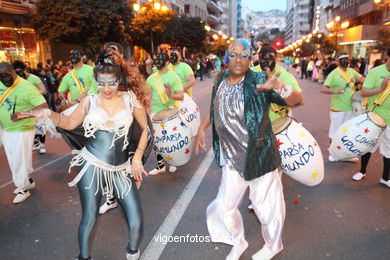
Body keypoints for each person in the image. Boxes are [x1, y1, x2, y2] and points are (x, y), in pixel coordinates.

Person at [16, 49, 150, 260]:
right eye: (101, 82)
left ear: (119, 80)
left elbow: (145, 130)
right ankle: (84, 257)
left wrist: (137, 158)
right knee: (89, 217)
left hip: (122, 169)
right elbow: (69, 123)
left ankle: (132, 252)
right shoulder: (90, 101)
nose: (106, 88)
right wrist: (48, 113)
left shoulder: (130, 99)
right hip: (91, 166)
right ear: (95, 80)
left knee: (136, 221)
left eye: (112, 82)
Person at [196, 39, 303, 260]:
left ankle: (274, 245)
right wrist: (201, 129)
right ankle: (238, 240)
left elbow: (297, 100)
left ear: (250, 58)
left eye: (244, 55)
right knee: (224, 207)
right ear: (227, 56)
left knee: (267, 208)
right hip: (231, 159)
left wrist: (282, 87)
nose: (238, 59)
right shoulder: (221, 79)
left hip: (259, 155)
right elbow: (215, 108)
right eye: (234, 55)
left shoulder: (259, 80)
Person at [0, 62, 47, 204]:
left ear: (13, 72)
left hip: (22, 129)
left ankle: (23, 189)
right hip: (6, 128)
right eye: (1, 77)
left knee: (19, 159)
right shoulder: (1, 83)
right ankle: (27, 181)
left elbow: (43, 107)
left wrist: (21, 114)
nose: (5, 79)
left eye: (7, 75)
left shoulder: (26, 87)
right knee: (14, 158)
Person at [351, 49, 390, 187]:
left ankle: (385, 178)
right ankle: (362, 171)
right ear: (387, 57)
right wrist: (380, 88)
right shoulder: (375, 72)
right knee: (368, 145)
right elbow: (364, 91)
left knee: (389, 149)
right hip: (375, 116)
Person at [320, 52, 365, 162]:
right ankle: (333, 153)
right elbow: (323, 89)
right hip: (338, 108)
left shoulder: (352, 71)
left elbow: (362, 79)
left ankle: (347, 154)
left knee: (349, 132)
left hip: (351, 106)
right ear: (337, 61)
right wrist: (336, 91)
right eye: (342, 59)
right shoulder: (334, 74)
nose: (345, 61)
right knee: (335, 131)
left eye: (347, 59)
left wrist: (363, 81)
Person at [146, 52, 184, 175]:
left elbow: (181, 95)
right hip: (155, 112)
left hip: (170, 111)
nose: (159, 62)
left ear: (167, 62)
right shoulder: (152, 78)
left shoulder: (174, 77)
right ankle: (161, 165)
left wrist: (170, 94)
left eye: (162, 60)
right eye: (158, 60)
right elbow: (146, 92)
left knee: (170, 140)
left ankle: (173, 162)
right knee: (156, 140)